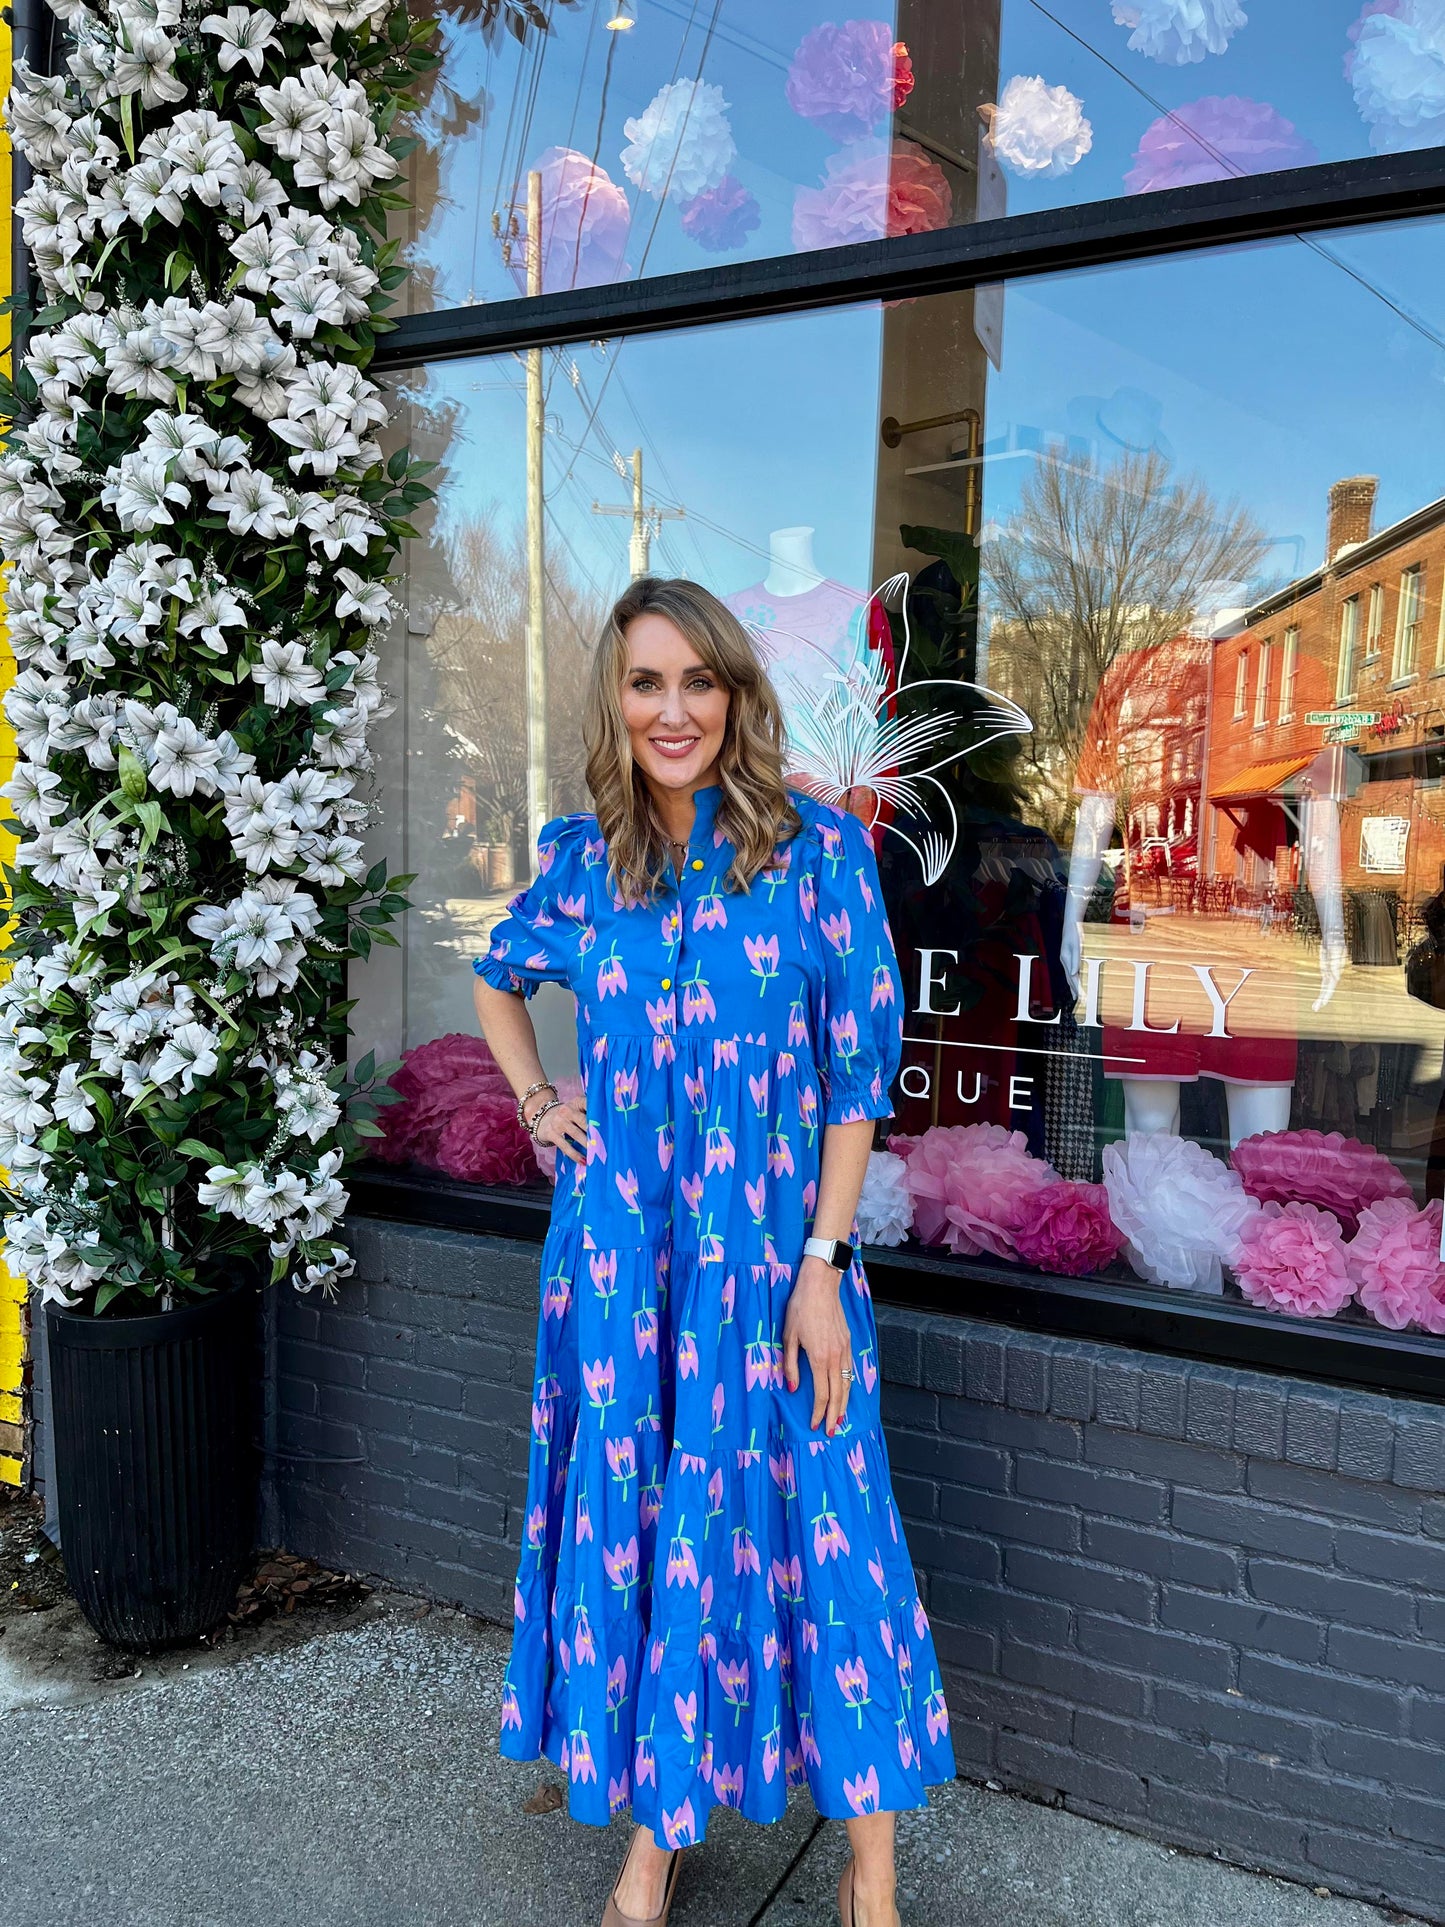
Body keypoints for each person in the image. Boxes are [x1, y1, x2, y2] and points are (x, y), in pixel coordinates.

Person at [473, 577, 955, 1927]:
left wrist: (819, 1271)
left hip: (773, 1272)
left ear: (737, 695)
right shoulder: (585, 860)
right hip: (622, 1266)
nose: (671, 710)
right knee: (645, 1538)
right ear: (614, 704)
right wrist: (534, 1101)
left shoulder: (818, 854)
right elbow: (496, 979)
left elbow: (860, 1081)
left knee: (828, 1538)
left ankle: (869, 1870)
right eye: (645, 684)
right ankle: (658, 1832)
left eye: (698, 681)